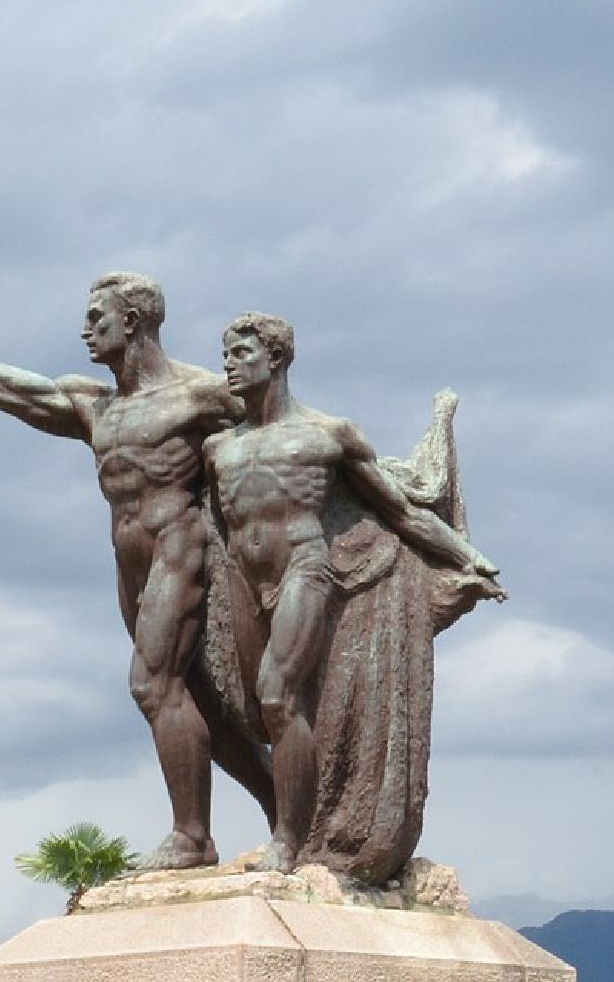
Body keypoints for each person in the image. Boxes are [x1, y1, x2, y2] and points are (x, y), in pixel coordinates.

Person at [0, 279, 274, 870]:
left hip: (181, 550)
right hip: (130, 564)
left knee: (153, 687)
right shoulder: (91, 403)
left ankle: (192, 838)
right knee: (199, 704)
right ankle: (285, 813)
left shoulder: (200, 396)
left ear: (133, 320)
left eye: (97, 317)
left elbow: (280, 434)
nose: (85, 330)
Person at [205, 312, 502, 872]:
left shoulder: (327, 434)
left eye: (241, 354)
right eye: (225, 356)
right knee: (253, 712)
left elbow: (401, 512)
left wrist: (468, 555)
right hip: (245, 580)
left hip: (304, 568)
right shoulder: (219, 447)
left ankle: (288, 843)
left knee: (277, 697)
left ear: (276, 358)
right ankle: (295, 821)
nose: (229, 366)